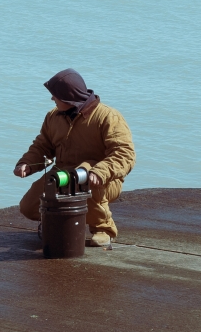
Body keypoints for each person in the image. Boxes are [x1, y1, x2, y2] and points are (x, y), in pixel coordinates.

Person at [14, 69, 135, 247]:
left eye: (55, 96)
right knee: (29, 207)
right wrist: (27, 164)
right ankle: (59, 220)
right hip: (62, 174)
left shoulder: (108, 117)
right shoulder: (53, 116)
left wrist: (100, 172)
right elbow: (42, 146)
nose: (52, 99)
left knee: (83, 175)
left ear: (68, 97)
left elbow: (125, 154)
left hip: (103, 180)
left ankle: (103, 227)